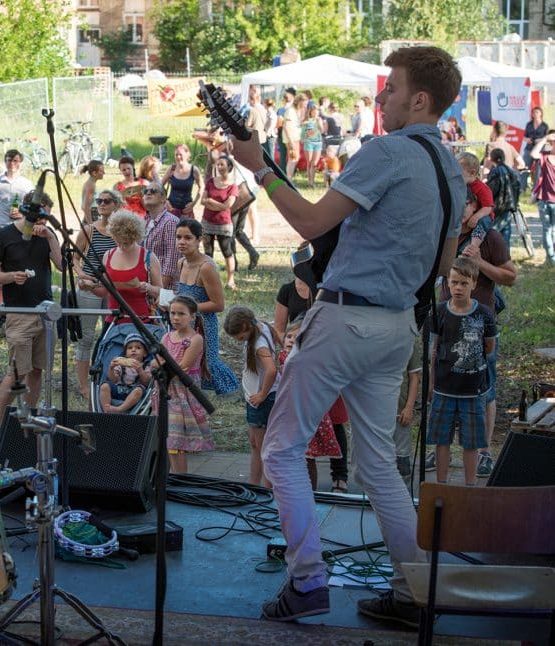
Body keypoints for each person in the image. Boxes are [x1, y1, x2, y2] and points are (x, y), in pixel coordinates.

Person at [230, 45, 465, 626]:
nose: (381, 97)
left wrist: (260, 168)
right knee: (379, 464)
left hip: (346, 320)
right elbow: (443, 265)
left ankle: (307, 580)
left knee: (281, 449)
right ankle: (413, 593)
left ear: (419, 100)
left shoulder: (387, 151)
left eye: (392, 88)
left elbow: (310, 222)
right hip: (397, 328)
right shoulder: (452, 168)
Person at [425, 188, 516, 479]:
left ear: (474, 205)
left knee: (485, 389)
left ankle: (484, 452)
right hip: (445, 319)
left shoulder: (490, 237)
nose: (459, 210)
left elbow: (511, 276)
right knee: (443, 383)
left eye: (463, 204)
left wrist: (480, 263)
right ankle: (440, 450)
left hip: (480, 324)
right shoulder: (446, 233)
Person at [0, 192, 62, 426]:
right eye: (39, 217)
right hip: (19, 313)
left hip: (45, 313)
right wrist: (10, 276)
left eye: (46, 217)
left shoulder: (47, 234)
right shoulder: (6, 235)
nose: (42, 222)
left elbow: (61, 265)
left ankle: (30, 419)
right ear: (27, 212)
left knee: (38, 370)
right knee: (17, 372)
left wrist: (50, 237)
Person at [149, 218, 239, 395]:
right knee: (182, 360)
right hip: (183, 322)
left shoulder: (206, 267)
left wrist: (187, 310)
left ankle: (227, 391)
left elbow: (218, 304)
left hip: (203, 324)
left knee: (207, 363)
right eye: (178, 237)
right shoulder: (181, 263)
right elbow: (182, 295)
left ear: (199, 240)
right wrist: (172, 305)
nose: (182, 242)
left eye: (188, 238)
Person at [428, 256, 496, 486]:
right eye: (454, 282)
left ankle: (470, 487)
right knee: (442, 440)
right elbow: (434, 349)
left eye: (464, 283)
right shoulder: (439, 311)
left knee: (471, 442)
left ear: (474, 284)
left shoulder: (484, 314)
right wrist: (431, 384)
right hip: (443, 388)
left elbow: (489, 347)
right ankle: (441, 486)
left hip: (473, 390)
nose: (458, 288)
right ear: (447, 282)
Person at [151, 295, 212, 473]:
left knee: (176, 441)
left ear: (192, 316)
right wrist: (160, 365)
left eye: (181, 314)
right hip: (165, 390)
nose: (175, 318)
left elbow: (182, 367)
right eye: (172, 313)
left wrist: (161, 364)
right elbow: (155, 362)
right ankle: (173, 477)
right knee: (169, 438)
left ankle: (180, 478)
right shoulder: (167, 337)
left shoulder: (195, 339)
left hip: (182, 393)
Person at [279, 319, 341, 491]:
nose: (291, 340)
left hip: (306, 415)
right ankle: (294, 490)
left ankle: (310, 492)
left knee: (307, 457)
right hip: (289, 416)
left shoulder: (307, 361)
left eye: (296, 337)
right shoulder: (282, 358)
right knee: (291, 456)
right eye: (289, 336)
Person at [73, 189, 120, 399]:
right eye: (99, 200)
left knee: (110, 334)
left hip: (113, 288)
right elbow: (75, 257)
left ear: (116, 204)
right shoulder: (88, 230)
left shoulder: (120, 230)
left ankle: (105, 380)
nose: (101, 204)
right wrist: (82, 275)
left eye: (106, 201)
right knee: (87, 336)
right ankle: (84, 386)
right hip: (90, 287)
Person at [224, 306, 278, 487]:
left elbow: (271, 369)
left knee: (263, 449)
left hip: (261, 400)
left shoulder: (258, 344)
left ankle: (267, 489)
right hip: (256, 398)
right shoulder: (261, 326)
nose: (239, 341)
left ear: (247, 326)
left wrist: (262, 393)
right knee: (256, 444)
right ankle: (254, 485)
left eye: (240, 337)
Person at [80, 210, 162, 325]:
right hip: (113, 320)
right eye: (118, 242)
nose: (122, 247)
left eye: (127, 243)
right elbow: (104, 291)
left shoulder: (149, 257)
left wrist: (148, 287)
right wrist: (89, 286)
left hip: (142, 321)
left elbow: (161, 292)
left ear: (135, 237)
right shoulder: (108, 255)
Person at [200, 155, 242, 289]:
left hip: (223, 224)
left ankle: (231, 280)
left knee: (227, 251)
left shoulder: (233, 186)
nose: (219, 167)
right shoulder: (210, 182)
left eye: (222, 164)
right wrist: (218, 205)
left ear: (229, 167)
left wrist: (211, 202)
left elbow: (227, 206)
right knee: (208, 252)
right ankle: (208, 280)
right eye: (218, 164)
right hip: (207, 221)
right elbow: (202, 201)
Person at [141, 181, 180, 289]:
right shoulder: (146, 221)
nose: (148, 193)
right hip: (148, 285)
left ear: (163, 198)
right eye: (145, 191)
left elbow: (171, 262)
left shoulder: (170, 222)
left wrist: (159, 291)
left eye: (153, 191)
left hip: (164, 288)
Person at [99, 334, 151, 413]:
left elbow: (147, 382)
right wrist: (111, 368)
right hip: (118, 389)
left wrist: (140, 370)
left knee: (139, 390)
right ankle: (106, 409)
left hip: (134, 393)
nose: (133, 350)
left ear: (145, 353)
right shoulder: (120, 364)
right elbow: (113, 380)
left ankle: (120, 409)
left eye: (138, 348)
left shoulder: (146, 366)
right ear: (126, 353)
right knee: (104, 386)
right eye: (130, 348)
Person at [0, 149, 34, 232]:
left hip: (20, 228)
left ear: (20, 163)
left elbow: (34, 208)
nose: (12, 163)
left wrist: (23, 214)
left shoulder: (27, 184)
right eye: (9, 160)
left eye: (15, 161)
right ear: (5, 162)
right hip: (1, 227)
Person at [394, 339, 422, 487]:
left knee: (402, 458)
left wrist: (409, 407)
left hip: (400, 412)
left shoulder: (407, 341)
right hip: (377, 412)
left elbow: (414, 377)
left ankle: (402, 491)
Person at [456, 152, 495, 256]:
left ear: (472, 173)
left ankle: (473, 247)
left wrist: (476, 216)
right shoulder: (462, 185)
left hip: (483, 217)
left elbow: (488, 207)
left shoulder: (482, 188)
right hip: (467, 217)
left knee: (482, 222)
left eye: (459, 174)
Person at [484, 147, 521, 247]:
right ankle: (505, 255)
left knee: (493, 236)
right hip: (509, 207)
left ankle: (494, 255)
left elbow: (490, 191)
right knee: (505, 237)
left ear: (492, 159)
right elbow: (517, 188)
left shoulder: (495, 172)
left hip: (497, 208)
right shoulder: (511, 171)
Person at [530, 132, 555, 264]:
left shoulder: (546, 157)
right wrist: (545, 138)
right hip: (545, 199)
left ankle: (551, 258)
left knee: (551, 230)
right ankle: (550, 258)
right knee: (548, 230)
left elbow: (534, 154)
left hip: (548, 200)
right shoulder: (545, 157)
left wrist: (546, 139)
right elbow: (533, 154)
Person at [162, 144, 202, 218]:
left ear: (187, 154)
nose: (178, 157)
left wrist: (194, 203)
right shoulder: (172, 168)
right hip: (171, 209)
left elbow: (202, 187)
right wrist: (165, 201)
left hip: (186, 211)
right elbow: (160, 186)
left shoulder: (194, 170)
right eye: (176, 155)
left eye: (180, 154)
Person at [524, 107, 549, 187]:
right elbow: (524, 137)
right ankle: (522, 187)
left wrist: (540, 140)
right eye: (533, 112)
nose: (535, 114)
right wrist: (527, 139)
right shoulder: (529, 124)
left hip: (539, 150)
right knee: (525, 168)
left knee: (538, 170)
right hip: (529, 149)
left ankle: (536, 189)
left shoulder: (545, 126)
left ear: (541, 114)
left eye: (537, 112)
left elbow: (547, 138)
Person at [301, 105, 324, 186]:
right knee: (309, 162)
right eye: (314, 112)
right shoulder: (307, 121)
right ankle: (310, 182)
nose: (315, 114)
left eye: (317, 112)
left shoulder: (319, 120)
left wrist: (319, 123)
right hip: (309, 143)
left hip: (318, 143)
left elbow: (322, 130)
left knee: (314, 164)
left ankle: (312, 182)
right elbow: (308, 134)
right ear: (310, 112)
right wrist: (303, 138)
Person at [79, 160, 105, 224]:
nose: (104, 173)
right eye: (102, 171)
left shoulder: (91, 184)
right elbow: (86, 207)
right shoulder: (91, 185)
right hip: (91, 218)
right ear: (94, 173)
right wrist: (91, 225)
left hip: (92, 217)